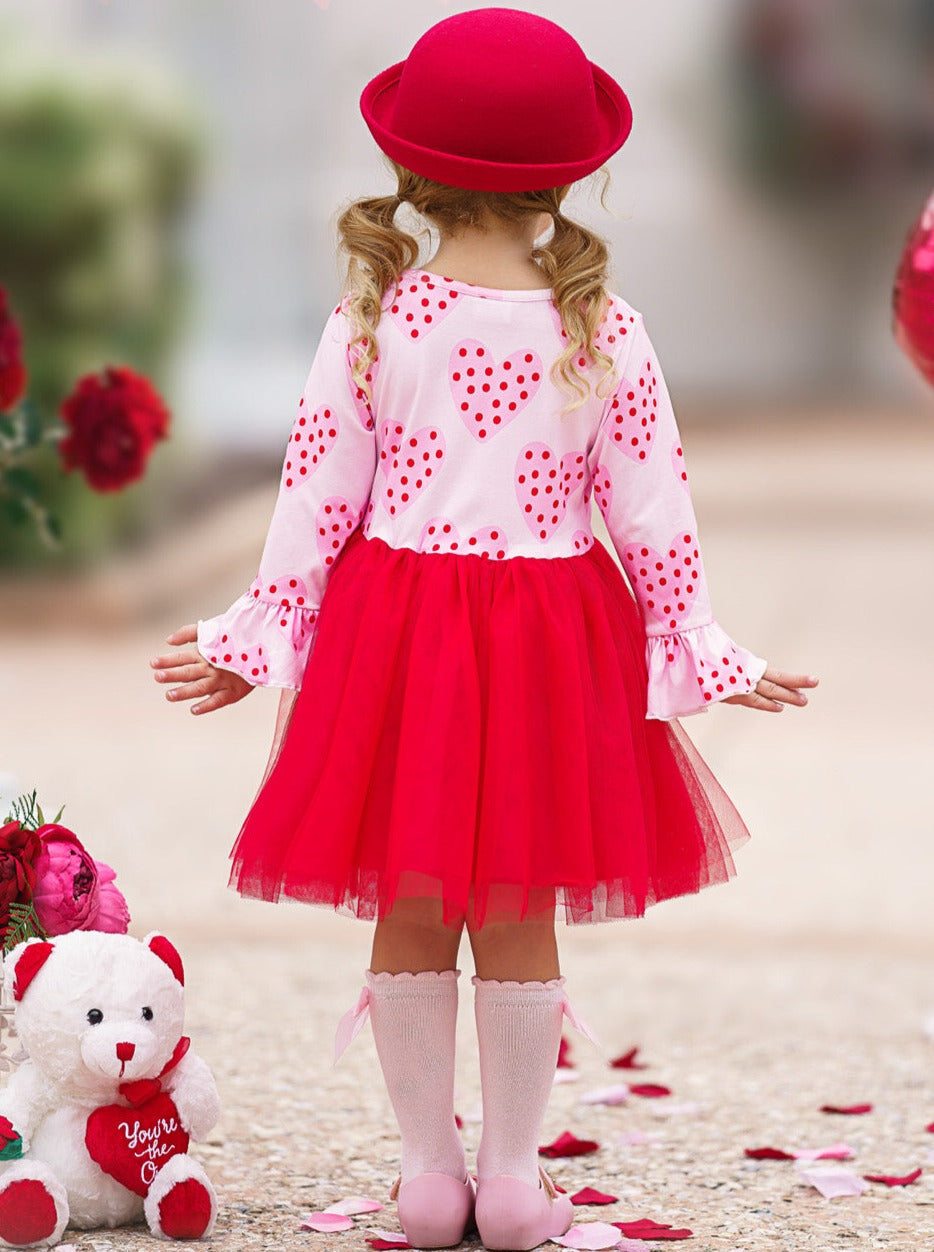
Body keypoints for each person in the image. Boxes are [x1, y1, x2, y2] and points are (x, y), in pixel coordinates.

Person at [151, 9, 818, 1249]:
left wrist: (258, 634)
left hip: (395, 633)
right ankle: (510, 1182)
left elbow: (315, 494)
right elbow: (651, 508)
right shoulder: (602, 327)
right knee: (518, 903)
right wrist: (703, 645)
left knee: (408, 898)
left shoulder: (373, 320)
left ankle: (427, 1176)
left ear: (413, 166)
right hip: (548, 637)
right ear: (569, 173)